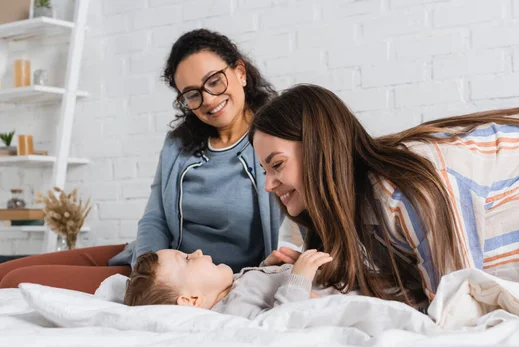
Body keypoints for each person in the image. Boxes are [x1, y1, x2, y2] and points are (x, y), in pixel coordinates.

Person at [249, 83, 519, 309]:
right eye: (265, 171)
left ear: (319, 150)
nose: (269, 185)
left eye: (276, 165)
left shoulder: (402, 191)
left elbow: (458, 309)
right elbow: (413, 294)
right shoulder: (365, 212)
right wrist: (303, 280)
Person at [0, 29, 297, 293]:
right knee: (5, 270)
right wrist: (147, 265)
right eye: (192, 94)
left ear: (240, 73)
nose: (207, 99)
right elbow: (155, 217)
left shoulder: (271, 143)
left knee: (16, 282)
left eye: (214, 82)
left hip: (191, 282)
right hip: (151, 261)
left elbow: (312, 209)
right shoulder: (179, 144)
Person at [124, 248, 333, 320]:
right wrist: (299, 279)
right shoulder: (233, 308)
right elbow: (276, 323)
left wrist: (266, 268)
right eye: (187, 259)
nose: (196, 252)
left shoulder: (231, 287)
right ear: (192, 300)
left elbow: (258, 293)